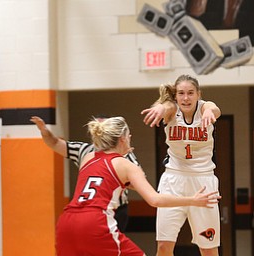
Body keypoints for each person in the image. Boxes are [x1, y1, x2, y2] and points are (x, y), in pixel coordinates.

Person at [34, 115, 220, 256]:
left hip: (66, 222)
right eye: (128, 135)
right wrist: (193, 200)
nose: (130, 138)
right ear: (123, 139)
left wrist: (45, 132)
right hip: (95, 221)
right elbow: (154, 199)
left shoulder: (87, 157)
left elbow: (55, 144)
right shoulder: (126, 164)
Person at [141, 74, 221, 256]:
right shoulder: (171, 109)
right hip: (174, 179)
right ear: (175, 96)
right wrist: (160, 107)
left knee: (208, 248)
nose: (186, 98)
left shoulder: (205, 108)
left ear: (199, 94)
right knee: (163, 246)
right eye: (181, 93)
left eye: (191, 93)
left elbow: (213, 108)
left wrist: (210, 111)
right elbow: (166, 106)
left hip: (203, 181)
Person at [30, 115, 140, 233]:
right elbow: (55, 143)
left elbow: (138, 183)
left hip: (113, 210)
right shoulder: (84, 150)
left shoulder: (124, 155)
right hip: (91, 210)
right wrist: (45, 131)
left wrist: (121, 179)